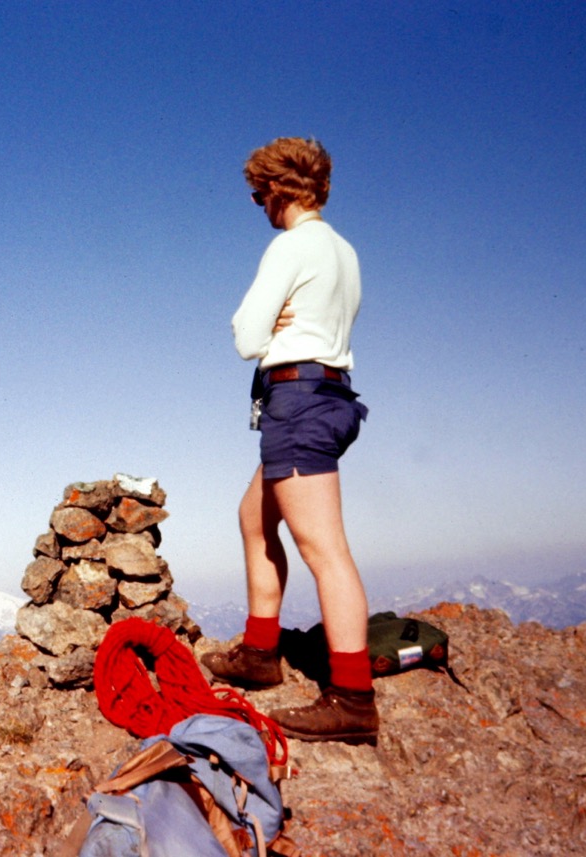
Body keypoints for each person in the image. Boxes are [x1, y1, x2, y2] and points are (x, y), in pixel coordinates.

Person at [201, 137, 378, 743]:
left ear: (276, 191)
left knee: (324, 548)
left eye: (257, 197)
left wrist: (258, 320)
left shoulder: (290, 247)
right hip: (327, 397)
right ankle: (260, 651)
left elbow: (248, 335)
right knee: (254, 516)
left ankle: (353, 699)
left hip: (297, 400)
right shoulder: (344, 251)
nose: (260, 207)